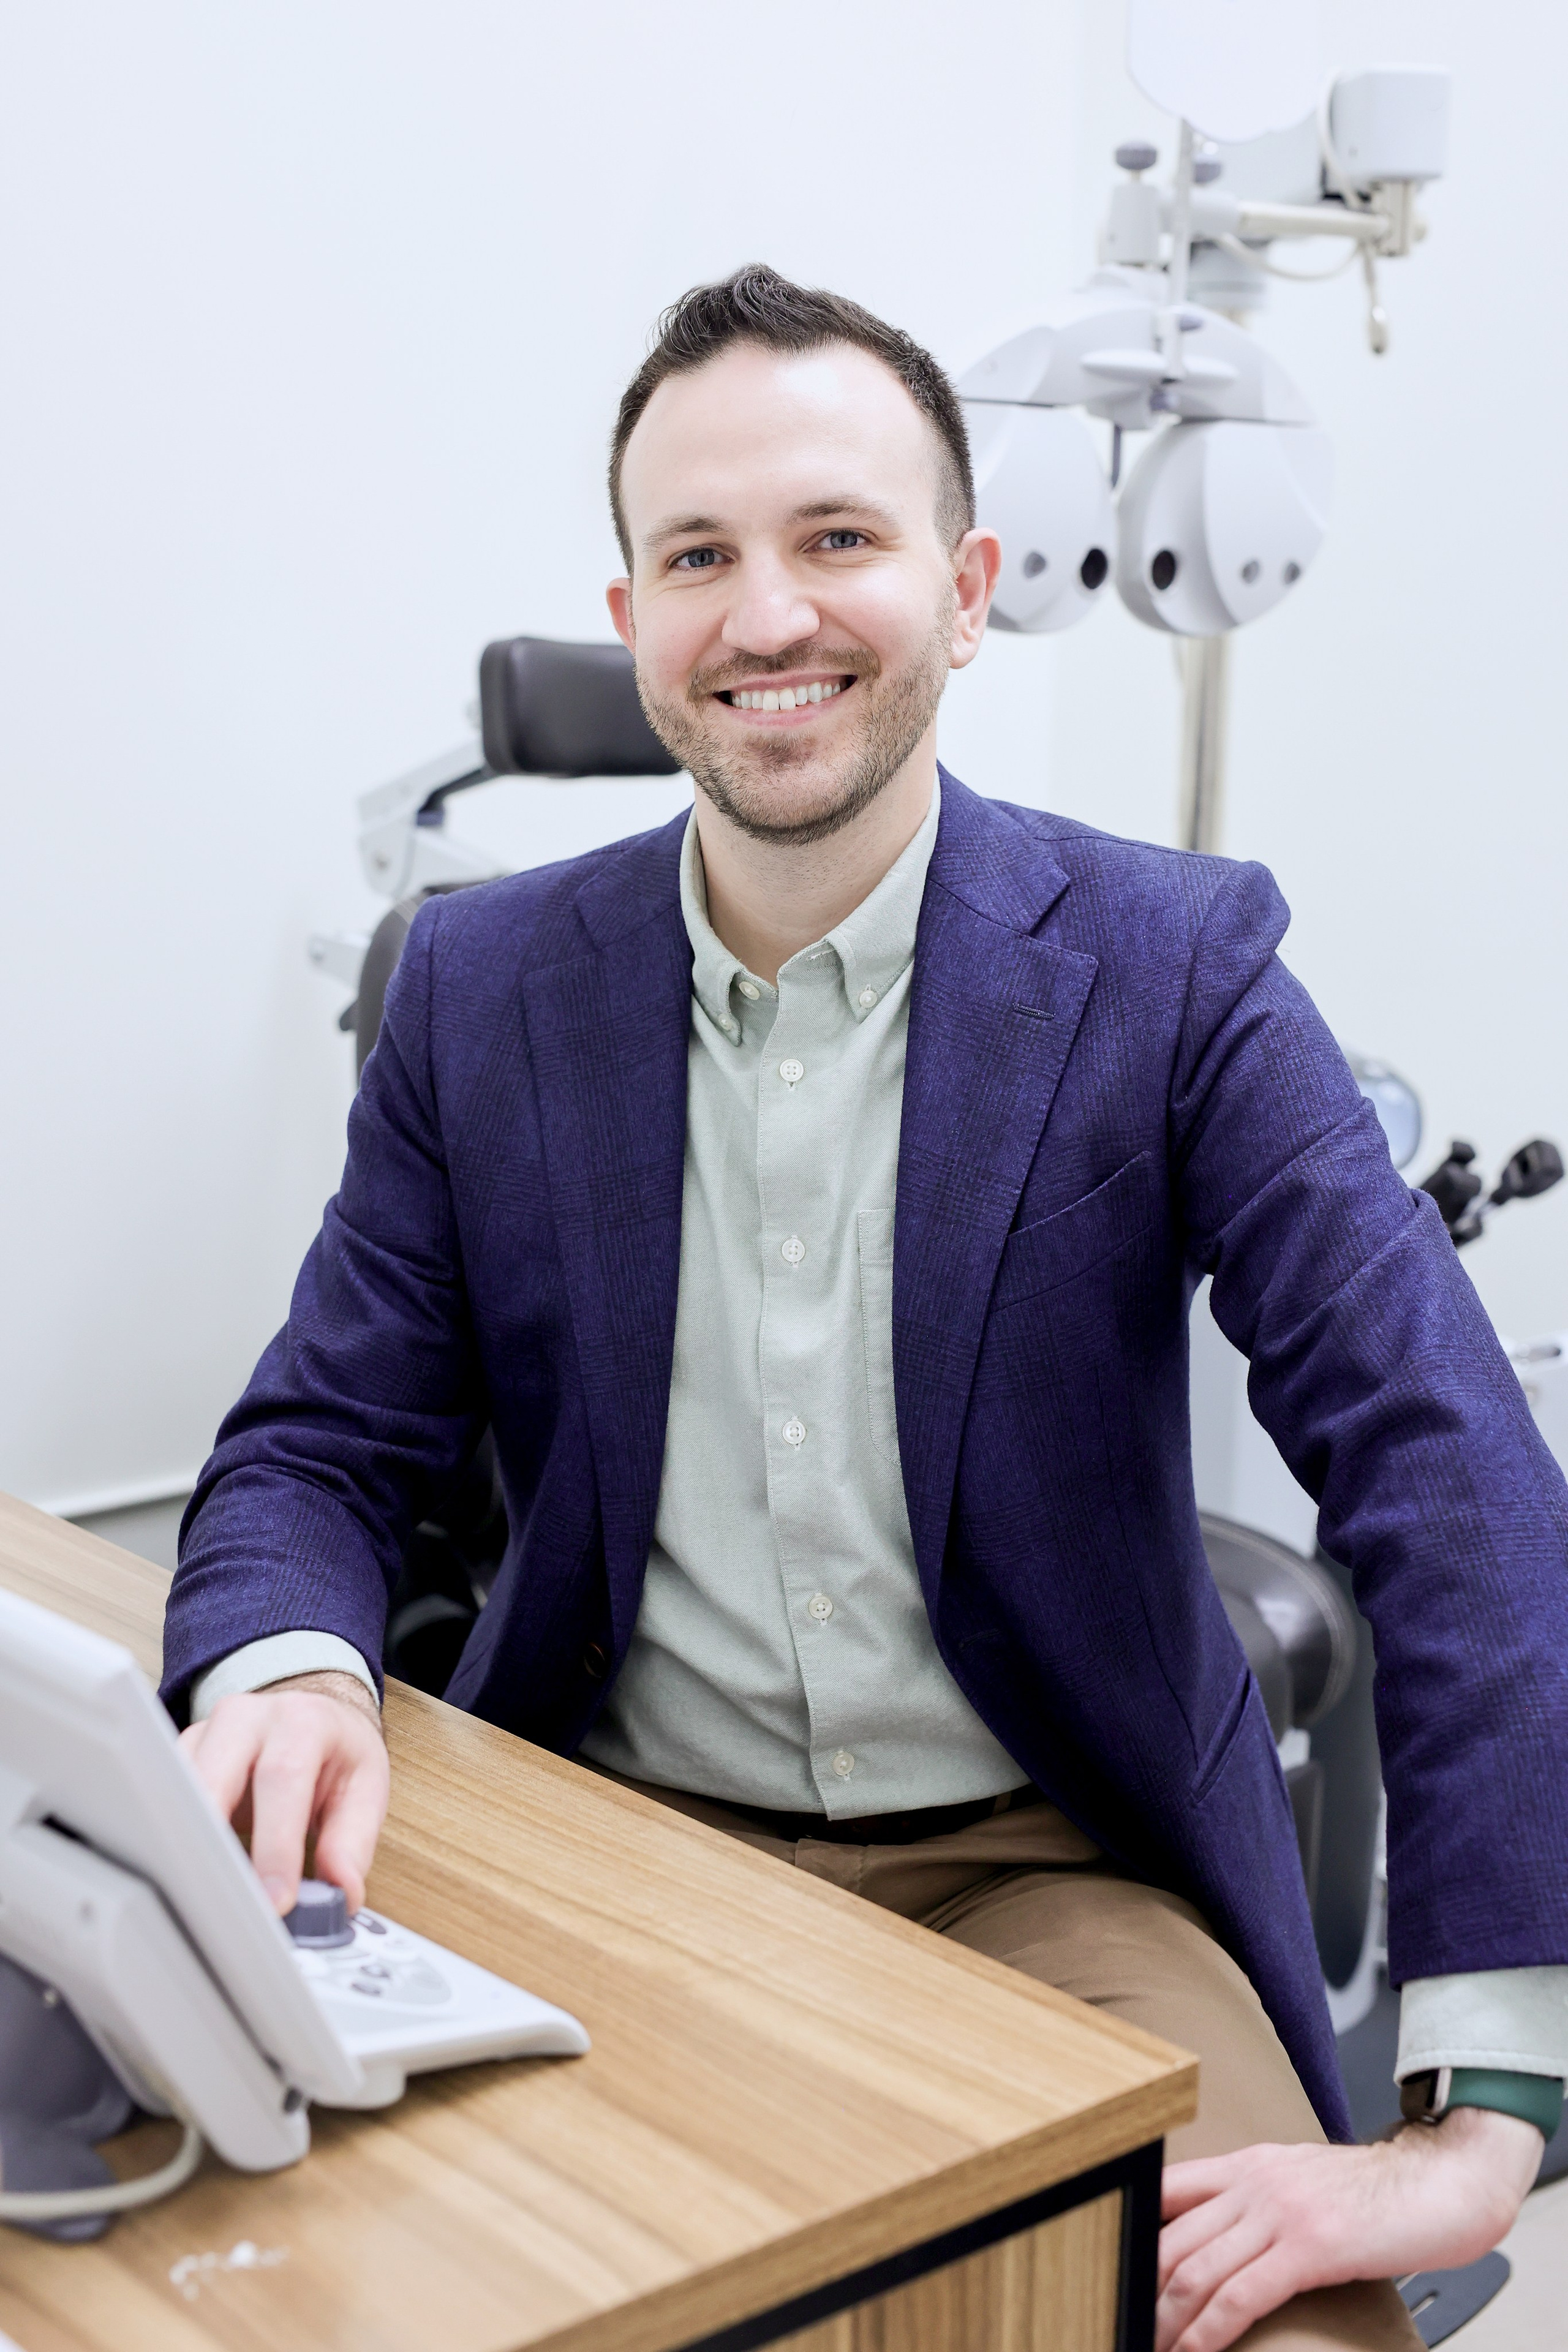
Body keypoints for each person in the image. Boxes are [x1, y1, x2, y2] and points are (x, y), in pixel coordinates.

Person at [164, 266, 1568, 2352]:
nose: (770, 615)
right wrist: (290, 1668)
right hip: (614, 1846)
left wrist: (1491, 2105)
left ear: (969, 584)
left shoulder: (1173, 969)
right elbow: (322, 1447)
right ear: (631, 614)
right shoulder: (479, 993)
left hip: (1053, 1880)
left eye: (839, 538)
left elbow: (1443, 1467)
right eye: (699, 556)